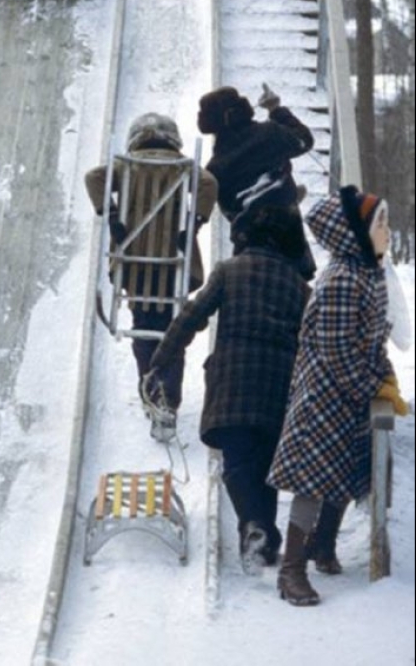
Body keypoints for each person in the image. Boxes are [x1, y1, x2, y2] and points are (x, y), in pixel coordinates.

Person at [146, 204, 310, 574]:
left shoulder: (229, 271)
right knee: (267, 463)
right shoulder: (299, 287)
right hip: (278, 385)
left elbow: (191, 315)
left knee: (237, 464)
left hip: (232, 381)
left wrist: (160, 361)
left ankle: (253, 526)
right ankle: (264, 540)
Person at [267, 187, 408, 606]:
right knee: (312, 484)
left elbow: (372, 340)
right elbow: (337, 352)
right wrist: (373, 387)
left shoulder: (367, 273)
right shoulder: (342, 280)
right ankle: (291, 569)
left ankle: (323, 545)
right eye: (379, 222)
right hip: (323, 399)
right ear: (355, 234)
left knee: (347, 473)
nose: (387, 230)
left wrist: (387, 379)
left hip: (348, 396)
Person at [84, 112, 217, 439]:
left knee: (144, 327)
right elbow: (210, 184)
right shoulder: (184, 167)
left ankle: (150, 389)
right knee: (172, 329)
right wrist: (195, 223)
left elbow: (93, 178)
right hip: (174, 265)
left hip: (135, 265)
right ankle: (169, 398)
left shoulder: (125, 165)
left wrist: (111, 214)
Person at [197, 82, 316, 278]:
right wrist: (275, 109)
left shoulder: (216, 168)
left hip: (249, 254)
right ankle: (285, 193)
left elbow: (230, 211)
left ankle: (283, 194)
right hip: (290, 243)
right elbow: (304, 140)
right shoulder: (270, 133)